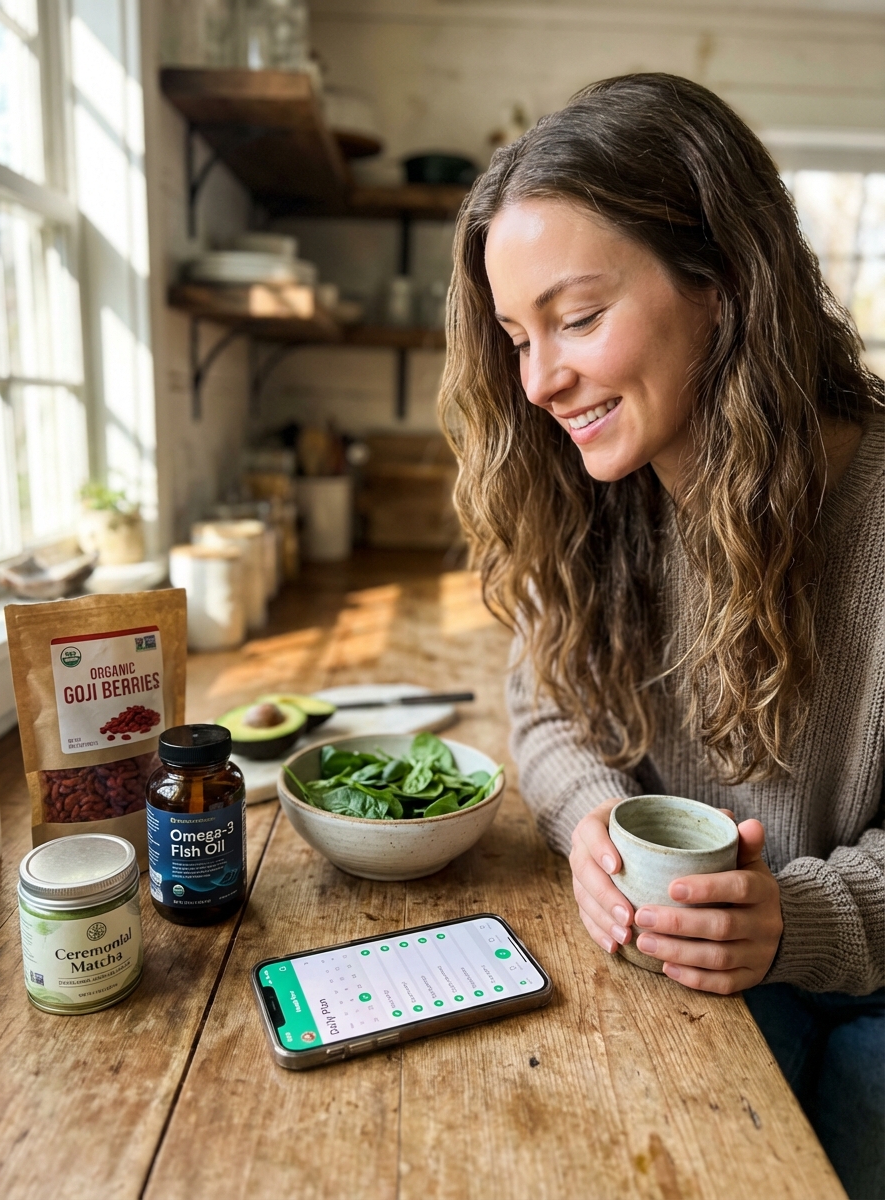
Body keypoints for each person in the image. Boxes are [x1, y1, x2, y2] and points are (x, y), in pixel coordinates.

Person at [438, 73, 883, 1199]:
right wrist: (588, 811)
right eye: (513, 335)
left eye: (577, 318)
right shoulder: (585, 482)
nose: (537, 381)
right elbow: (542, 703)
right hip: (688, 973)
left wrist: (802, 918)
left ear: (724, 282)